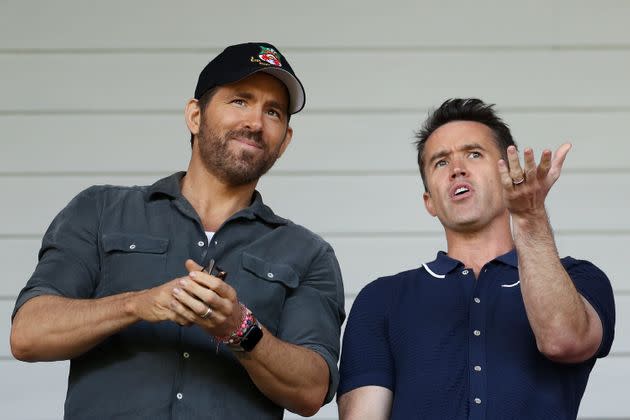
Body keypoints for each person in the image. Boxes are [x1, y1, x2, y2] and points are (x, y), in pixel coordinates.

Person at [10, 42, 345, 420]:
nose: (255, 122)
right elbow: (28, 334)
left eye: (273, 111)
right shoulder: (100, 211)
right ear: (195, 116)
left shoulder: (308, 254)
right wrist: (137, 304)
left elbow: (311, 391)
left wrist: (240, 328)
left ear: (285, 141)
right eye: (239, 101)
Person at [337, 98, 615, 420]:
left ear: (510, 174)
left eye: (474, 153)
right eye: (440, 162)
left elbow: (564, 341)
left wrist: (529, 217)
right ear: (429, 201)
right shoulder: (381, 299)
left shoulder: (578, 278)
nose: (457, 169)